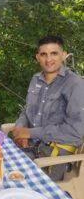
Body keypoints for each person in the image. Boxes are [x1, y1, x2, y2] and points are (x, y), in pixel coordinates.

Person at [12, 35, 84, 181]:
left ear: (63, 55)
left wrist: (30, 133)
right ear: (37, 57)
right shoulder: (35, 79)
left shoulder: (75, 84)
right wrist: (20, 129)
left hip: (54, 155)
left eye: (54, 53)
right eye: (44, 54)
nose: (48, 59)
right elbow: (27, 111)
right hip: (31, 147)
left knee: (16, 182)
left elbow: (76, 131)